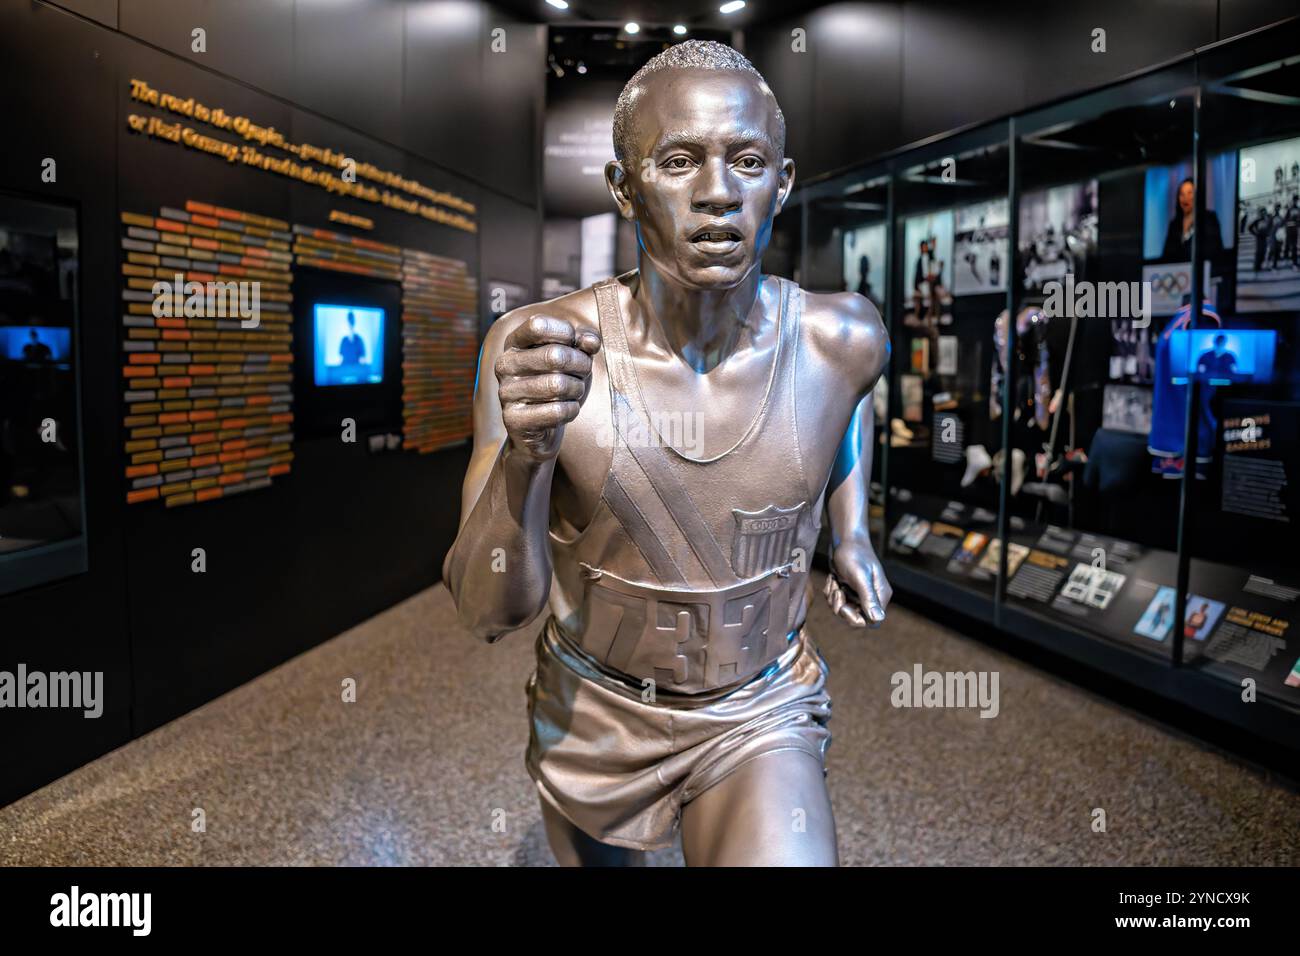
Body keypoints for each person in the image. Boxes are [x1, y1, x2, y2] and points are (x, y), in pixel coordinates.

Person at [442, 40, 890, 867]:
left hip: (760, 706)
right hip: (597, 711)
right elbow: (486, 611)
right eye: (679, 160)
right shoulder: (545, 352)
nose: (718, 194)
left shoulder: (843, 340)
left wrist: (851, 529)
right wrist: (526, 459)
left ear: (782, 183)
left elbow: (846, 413)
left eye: (748, 161)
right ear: (623, 186)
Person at [1160, 177, 1223, 264]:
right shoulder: (1174, 224)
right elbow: (1166, 256)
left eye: (1190, 193)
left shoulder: (1209, 218)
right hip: (1177, 274)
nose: (1185, 198)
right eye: (1182, 194)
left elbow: (1214, 251)